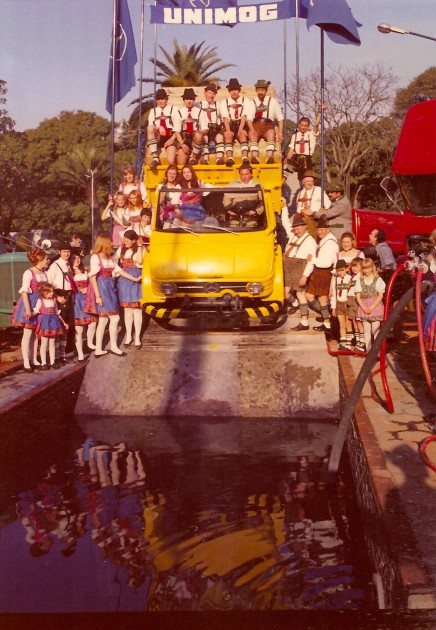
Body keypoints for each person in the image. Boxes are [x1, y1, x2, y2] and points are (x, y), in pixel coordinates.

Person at [84, 234, 141, 357]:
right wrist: (98, 296)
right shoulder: (95, 257)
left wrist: (134, 278)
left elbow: (120, 271)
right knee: (114, 318)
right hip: (102, 288)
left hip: (110, 288)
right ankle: (113, 346)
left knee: (104, 320)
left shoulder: (109, 258)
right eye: (109, 242)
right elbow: (93, 278)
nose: (112, 244)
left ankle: (100, 348)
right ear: (104, 243)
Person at [10, 247, 48, 372]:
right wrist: (28, 309)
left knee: (35, 334)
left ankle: (33, 358)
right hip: (29, 304)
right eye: (46, 259)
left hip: (39, 305)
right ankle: (26, 361)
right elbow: (25, 292)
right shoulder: (29, 272)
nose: (47, 261)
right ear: (40, 260)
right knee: (27, 333)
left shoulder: (43, 272)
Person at [304, 214, 339, 332]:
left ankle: (327, 323)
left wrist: (312, 259)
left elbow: (326, 263)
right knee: (309, 296)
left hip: (325, 272)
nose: (320, 232)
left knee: (323, 300)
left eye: (322, 229)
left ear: (328, 230)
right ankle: (327, 316)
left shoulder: (330, 243)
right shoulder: (324, 240)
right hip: (318, 272)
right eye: (318, 229)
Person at [282, 213, 317, 331]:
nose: (296, 231)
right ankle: (295, 304)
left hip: (299, 268)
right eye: (294, 229)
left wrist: (305, 276)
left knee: (301, 295)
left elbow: (311, 262)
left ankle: (304, 322)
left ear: (304, 227)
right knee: (285, 294)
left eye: (298, 229)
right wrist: (284, 207)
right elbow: (285, 223)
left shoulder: (310, 242)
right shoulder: (293, 236)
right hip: (288, 267)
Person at [114, 230, 144, 349]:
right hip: (124, 280)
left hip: (136, 278)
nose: (124, 242)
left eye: (127, 240)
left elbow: (141, 262)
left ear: (133, 241)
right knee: (127, 310)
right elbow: (114, 260)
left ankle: (137, 337)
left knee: (137, 310)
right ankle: (129, 336)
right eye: (124, 240)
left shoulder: (139, 250)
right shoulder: (120, 250)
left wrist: (141, 247)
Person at [249, 79, 284, 165]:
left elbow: (280, 117)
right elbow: (249, 118)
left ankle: (269, 157)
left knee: (271, 134)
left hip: (268, 125)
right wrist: (251, 129)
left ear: (266, 90)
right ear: (256, 90)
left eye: (262, 90)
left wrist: (280, 133)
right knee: (252, 135)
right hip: (256, 124)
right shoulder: (253, 102)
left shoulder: (272, 101)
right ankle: (254, 157)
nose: (260, 92)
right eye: (259, 90)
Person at [284, 107, 325, 180]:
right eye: (302, 125)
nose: (303, 127)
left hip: (307, 158)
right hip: (296, 158)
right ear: (299, 125)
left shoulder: (311, 134)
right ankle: (283, 181)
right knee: (286, 169)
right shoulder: (295, 135)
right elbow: (291, 150)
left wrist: (320, 112)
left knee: (306, 178)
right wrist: (287, 159)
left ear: (308, 126)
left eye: (305, 126)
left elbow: (316, 125)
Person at [220, 78, 253, 167]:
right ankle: (230, 158)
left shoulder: (245, 100)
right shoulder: (224, 102)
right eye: (232, 90)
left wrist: (241, 129)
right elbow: (225, 117)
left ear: (239, 90)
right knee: (228, 135)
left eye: (235, 89)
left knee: (242, 134)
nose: (234, 92)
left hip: (241, 124)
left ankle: (245, 157)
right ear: (229, 91)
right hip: (230, 124)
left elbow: (244, 115)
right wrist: (228, 130)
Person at [355, 258, 386, 352]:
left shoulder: (378, 279)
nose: (366, 271)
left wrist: (372, 307)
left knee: (376, 330)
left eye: (368, 268)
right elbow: (358, 296)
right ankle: (369, 350)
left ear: (372, 268)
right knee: (366, 330)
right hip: (364, 306)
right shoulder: (360, 280)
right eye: (364, 268)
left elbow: (380, 295)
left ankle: (377, 351)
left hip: (375, 306)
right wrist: (364, 307)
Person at [146, 88, 183, 168]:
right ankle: (155, 158)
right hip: (158, 137)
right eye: (158, 99)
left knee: (170, 160)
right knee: (150, 128)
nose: (160, 101)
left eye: (162, 99)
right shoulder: (153, 111)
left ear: (167, 99)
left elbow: (177, 128)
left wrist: (171, 140)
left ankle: (174, 174)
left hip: (170, 137)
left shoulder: (173, 109)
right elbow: (151, 126)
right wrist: (159, 127)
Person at [33, 282, 65, 370]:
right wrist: (30, 314)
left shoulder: (53, 301)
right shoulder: (40, 301)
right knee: (44, 343)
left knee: (52, 343)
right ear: (44, 292)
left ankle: (52, 362)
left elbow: (56, 312)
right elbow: (36, 310)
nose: (52, 293)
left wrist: (63, 322)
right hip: (45, 323)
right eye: (50, 292)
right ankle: (43, 362)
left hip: (53, 323)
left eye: (52, 291)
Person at [71, 253, 97, 361]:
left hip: (87, 299)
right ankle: (80, 354)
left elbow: (92, 282)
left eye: (78, 258)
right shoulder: (69, 273)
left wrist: (88, 289)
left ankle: (90, 342)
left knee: (92, 323)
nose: (77, 260)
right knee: (79, 329)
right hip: (77, 301)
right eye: (74, 258)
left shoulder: (86, 271)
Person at [296, 171, 331, 238]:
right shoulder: (300, 193)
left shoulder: (318, 190)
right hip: (302, 221)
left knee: (312, 239)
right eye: (308, 181)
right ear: (303, 182)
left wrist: (321, 211)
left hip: (314, 220)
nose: (310, 183)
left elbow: (328, 204)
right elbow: (298, 209)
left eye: (311, 181)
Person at [197, 83, 225, 165]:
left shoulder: (218, 105)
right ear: (205, 93)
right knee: (204, 138)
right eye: (209, 93)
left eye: (213, 93)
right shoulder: (198, 105)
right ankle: (205, 158)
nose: (211, 96)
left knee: (220, 137)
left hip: (215, 129)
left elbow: (223, 117)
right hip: (204, 129)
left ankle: (219, 158)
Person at [329, 259, 353, 350]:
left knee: (348, 324)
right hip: (339, 304)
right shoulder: (335, 280)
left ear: (346, 269)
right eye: (338, 270)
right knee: (341, 324)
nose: (340, 272)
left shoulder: (350, 279)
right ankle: (343, 343)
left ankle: (349, 344)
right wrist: (333, 307)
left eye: (342, 270)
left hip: (348, 303)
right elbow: (334, 295)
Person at [177, 88, 203, 166]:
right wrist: (182, 144)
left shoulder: (200, 111)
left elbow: (205, 129)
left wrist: (199, 134)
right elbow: (177, 131)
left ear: (194, 100)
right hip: (185, 140)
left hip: (196, 141)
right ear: (183, 100)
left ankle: (193, 157)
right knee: (181, 162)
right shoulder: (179, 112)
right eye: (187, 99)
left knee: (202, 162)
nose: (189, 101)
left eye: (191, 99)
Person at [347, 257, 366, 353]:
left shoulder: (360, 277)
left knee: (359, 322)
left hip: (356, 300)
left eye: (356, 266)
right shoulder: (353, 277)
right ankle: (358, 341)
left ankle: (362, 342)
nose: (354, 268)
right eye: (353, 266)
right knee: (354, 321)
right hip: (350, 300)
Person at [157, 165, 182, 229]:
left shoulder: (178, 186)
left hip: (177, 213)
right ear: (166, 174)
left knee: (174, 228)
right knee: (166, 228)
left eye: (174, 174)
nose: (171, 176)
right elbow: (158, 202)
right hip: (165, 214)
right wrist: (161, 198)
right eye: (170, 173)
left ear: (176, 175)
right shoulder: (161, 186)